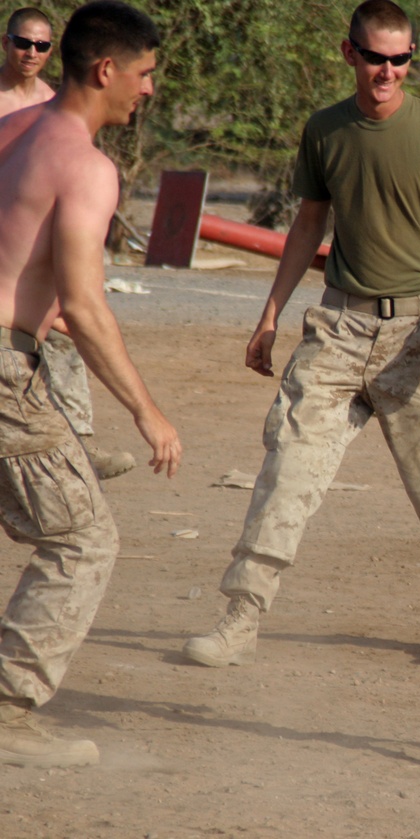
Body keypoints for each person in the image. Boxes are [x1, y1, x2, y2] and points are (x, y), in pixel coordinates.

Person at [182, 0, 420, 671]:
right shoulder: (326, 129)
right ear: (348, 53)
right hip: (338, 325)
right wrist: (270, 313)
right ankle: (241, 618)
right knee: (287, 470)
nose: (387, 70)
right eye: (374, 57)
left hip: (417, 332)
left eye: (401, 58)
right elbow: (308, 226)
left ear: (411, 59)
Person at [0, 0, 181, 768]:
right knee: (83, 537)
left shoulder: (14, 131)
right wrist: (148, 413)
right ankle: (7, 712)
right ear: (107, 69)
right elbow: (85, 302)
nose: (148, 92)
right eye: (143, 75)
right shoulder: (87, 164)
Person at [0, 6, 136, 481]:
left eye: (41, 46)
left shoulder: (43, 107)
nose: (31, 53)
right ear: (6, 42)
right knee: (83, 544)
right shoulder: (23, 120)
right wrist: (148, 414)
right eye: (23, 43)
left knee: (66, 346)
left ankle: (78, 441)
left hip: (35, 297)